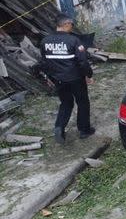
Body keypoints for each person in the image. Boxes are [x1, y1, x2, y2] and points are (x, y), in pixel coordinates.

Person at [38, 14, 94, 144]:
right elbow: (82, 62)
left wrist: (50, 77)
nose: (72, 27)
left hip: (58, 79)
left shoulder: (45, 41)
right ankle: (84, 130)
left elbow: (44, 63)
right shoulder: (73, 40)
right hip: (75, 78)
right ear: (66, 24)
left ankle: (59, 127)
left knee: (66, 103)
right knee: (82, 102)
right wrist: (88, 75)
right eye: (71, 25)